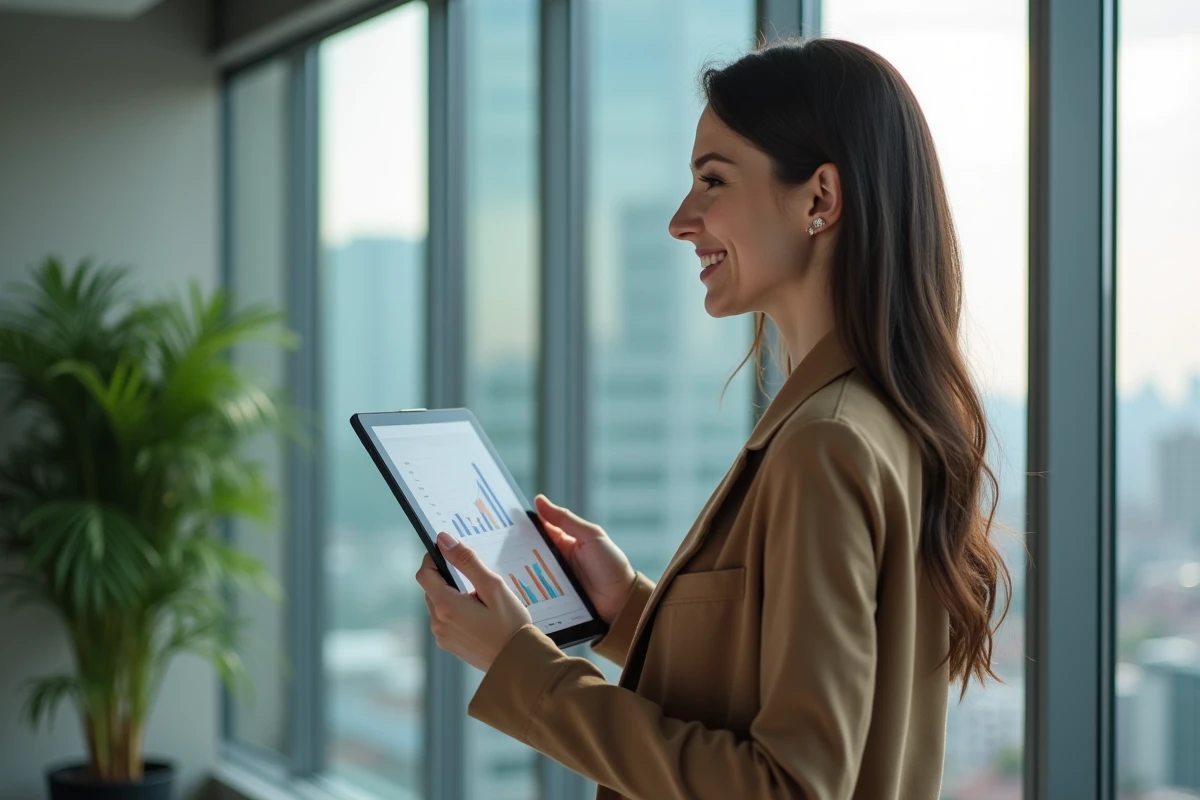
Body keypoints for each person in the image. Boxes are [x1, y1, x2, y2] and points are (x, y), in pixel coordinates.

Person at [415, 36, 1010, 800]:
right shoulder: (873, 420)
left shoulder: (825, 444)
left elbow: (786, 785)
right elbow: (780, 685)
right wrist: (625, 606)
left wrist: (521, 669)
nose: (680, 219)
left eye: (712, 181)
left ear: (819, 199)